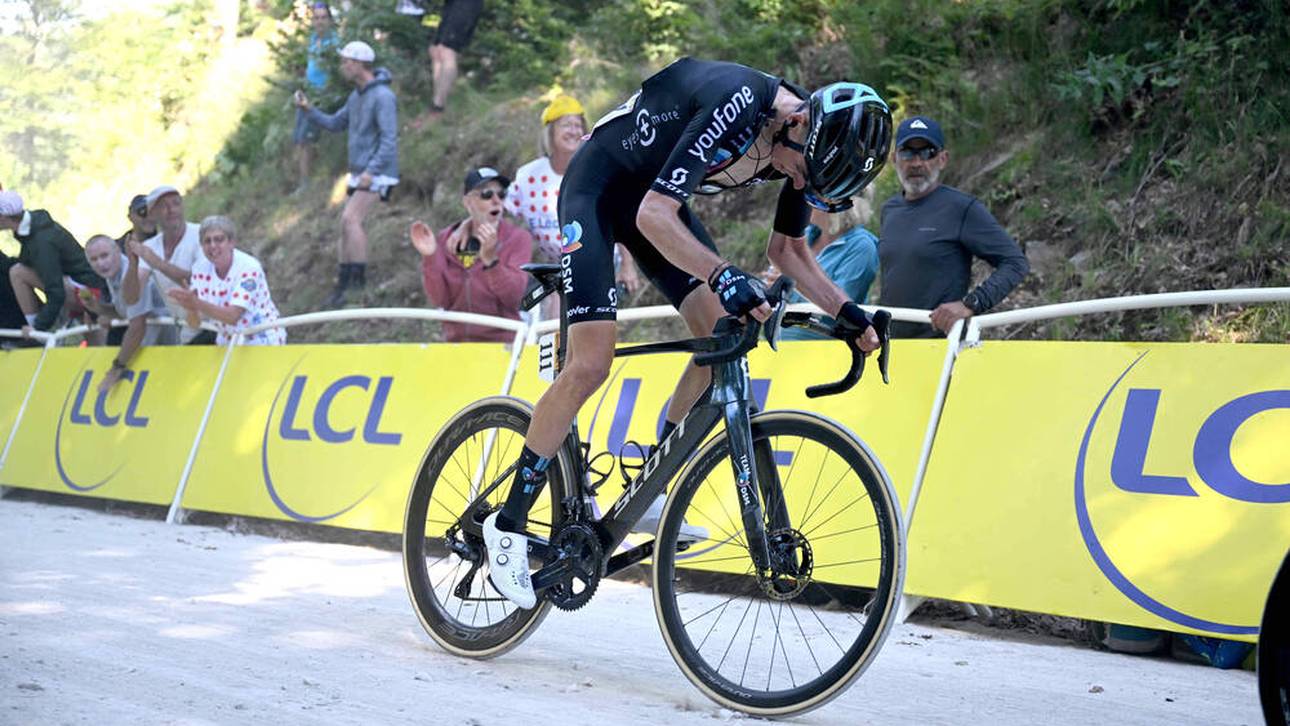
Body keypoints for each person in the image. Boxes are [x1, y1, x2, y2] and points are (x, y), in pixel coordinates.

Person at [480, 57, 892, 609]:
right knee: (591, 362)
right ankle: (506, 526)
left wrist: (849, 313)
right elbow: (654, 215)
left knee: (722, 329)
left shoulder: (808, 145)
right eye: (801, 173)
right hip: (600, 189)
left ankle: (651, 478)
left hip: (652, 203)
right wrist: (723, 274)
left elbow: (788, 250)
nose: (798, 184)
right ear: (797, 124)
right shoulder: (739, 102)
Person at [877, 115, 1029, 338]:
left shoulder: (962, 208)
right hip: (893, 345)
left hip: (942, 346)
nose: (916, 163)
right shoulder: (889, 210)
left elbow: (1015, 263)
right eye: (907, 153)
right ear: (894, 159)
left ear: (942, 159)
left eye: (927, 153)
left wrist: (972, 303)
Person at [506, 94, 641, 320]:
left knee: (572, 315)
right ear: (550, 131)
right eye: (566, 125)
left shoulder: (597, 168)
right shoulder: (528, 176)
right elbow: (502, 215)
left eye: (578, 125)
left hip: (599, 258)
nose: (574, 130)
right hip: (554, 266)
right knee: (546, 318)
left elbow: (619, 218)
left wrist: (628, 266)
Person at [295, 40, 399, 308]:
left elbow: (389, 140)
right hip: (359, 172)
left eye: (346, 62)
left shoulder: (383, 97)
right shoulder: (356, 96)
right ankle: (343, 286)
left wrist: (371, 171)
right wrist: (308, 110)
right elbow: (334, 123)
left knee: (351, 219)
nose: (342, 66)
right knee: (345, 225)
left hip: (377, 173)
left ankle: (357, 285)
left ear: (359, 63)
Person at [412, 167, 532, 342]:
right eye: (486, 194)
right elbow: (440, 300)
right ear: (467, 203)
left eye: (501, 194)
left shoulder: (518, 238)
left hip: (503, 343)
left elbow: (513, 298)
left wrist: (491, 261)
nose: (496, 201)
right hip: (457, 343)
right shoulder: (446, 238)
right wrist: (430, 256)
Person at [79, 235, 177, 392]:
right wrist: (99, 309)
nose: (101, 263)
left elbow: (137, 327)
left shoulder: (131, 273)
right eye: (94, 259)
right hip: (157, 346)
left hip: (171, 345)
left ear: (117, 251)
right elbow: (127, 313)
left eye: (104, 255)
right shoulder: (113, 273)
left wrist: (117, 367)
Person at [167, 216, 286, 346]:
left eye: (219, 239)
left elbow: (233, 316)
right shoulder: (199, 268)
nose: (213, 246)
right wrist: (190, 308)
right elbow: (194, 323)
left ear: (231, 242)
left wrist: (196, 303)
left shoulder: (249, 267)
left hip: (262, 337)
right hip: (227, 341)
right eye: (207, 241)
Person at [0, 190, 106, 336]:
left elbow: (56, 292)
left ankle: (36, 333)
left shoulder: (41, 242)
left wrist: (39, 326)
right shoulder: (33, 227)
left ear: (3, 217)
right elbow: (27, 262)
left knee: (17, 272)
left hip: (89, 292)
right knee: (18, 270)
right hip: (81, 286)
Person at [773, 202, 879, 342]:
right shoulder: (806, 234)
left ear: (836, 203)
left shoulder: (862, 246)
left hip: (825, 348)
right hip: (784, 344)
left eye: (813, 198)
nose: (804, 202)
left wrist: (788, 288)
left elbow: (840, 306)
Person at [124, 185, 204, 343]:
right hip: (188, 332)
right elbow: (132, 298)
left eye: (176, 203)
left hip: (218, 326)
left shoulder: (203, 235)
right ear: (152, 214)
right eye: (163, 206)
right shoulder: (150, 247)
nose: (171, 210)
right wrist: (132, 265)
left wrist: (158, 263)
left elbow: (199, 283)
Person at [401, 0, 483, 128]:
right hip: (452, 4)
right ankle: (437, 103)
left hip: (466, 3)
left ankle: (438, 108)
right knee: (435, 51)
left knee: (447, 51)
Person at [291, 2, 338, 194]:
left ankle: (307, 184)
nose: (320, 22)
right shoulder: (312, 40)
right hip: (307, 94)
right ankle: (304, 181)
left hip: (321, 97)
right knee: (300, 139)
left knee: (308, 139)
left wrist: (327, 93)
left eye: (323, 18)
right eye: (316, 18)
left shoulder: (334, 43)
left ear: (330, 20)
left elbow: (336, 72)